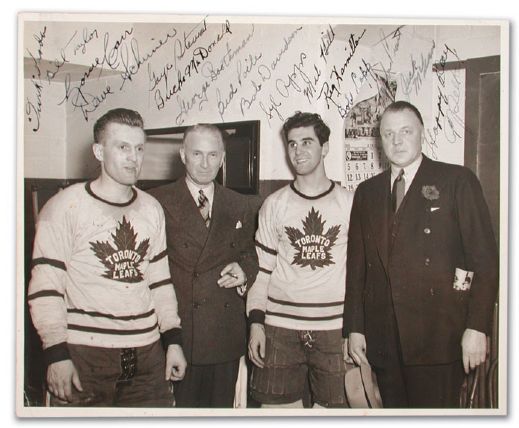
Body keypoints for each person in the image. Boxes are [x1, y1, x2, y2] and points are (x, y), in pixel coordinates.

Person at [343, 100, 499, 408]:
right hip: (384, 339)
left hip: (439, 338)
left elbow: (484, 262)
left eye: (405, 131)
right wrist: (354, 328)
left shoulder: (456, 181)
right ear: (379, 139)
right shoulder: (367, 192)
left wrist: (478, 327)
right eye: (388, 134)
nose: (396, 141)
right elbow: (357, 268)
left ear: (422, 134)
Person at [28, 108, 187, 407]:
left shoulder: (152, 208)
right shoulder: (63, 207)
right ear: (99, 152)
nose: (134, 158)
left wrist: (173, 339)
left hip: (147, 352)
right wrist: (56, 353)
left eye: (139, 148)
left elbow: (160, 282)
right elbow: (46, 288)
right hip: (86, 353)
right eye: (123, 147)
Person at [247, 112, 354, 408]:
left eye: (307, 142)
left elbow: (361, 276)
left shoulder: (349, 203)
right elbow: (261, 271)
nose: (298, 151)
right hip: (280, 327)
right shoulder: (274, 204)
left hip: (334, 328)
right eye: (292, 144)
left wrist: (356, 329)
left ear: (325, 147)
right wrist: (256, 323)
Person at [148, 124, 259, 408]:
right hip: (180, 333)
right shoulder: (157, 202)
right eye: (197, 154)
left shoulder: (241, 204)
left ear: (223, 158)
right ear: (182, 155)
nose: (205, 163)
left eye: (213, 155)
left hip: (224, 335)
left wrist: (245, 269)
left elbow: (252, 253)